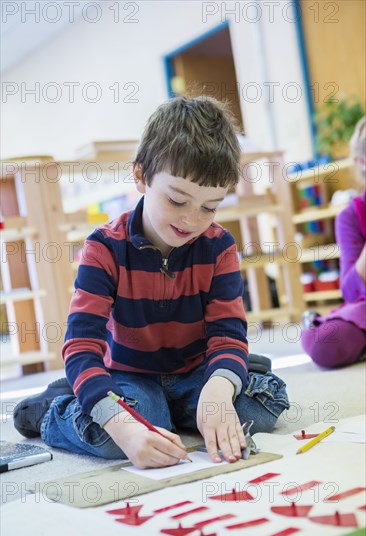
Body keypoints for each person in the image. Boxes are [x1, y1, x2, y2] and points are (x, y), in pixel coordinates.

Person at [14, 96, 290, 469]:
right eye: (178, 200)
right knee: (123, 434)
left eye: (210, 207)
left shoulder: (219, 247)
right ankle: (56, 408)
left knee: (261, 405)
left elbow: (227, 334)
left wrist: (218, 391)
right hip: (130, 375)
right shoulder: (103, 249)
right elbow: (80, 346)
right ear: (141, 176)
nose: (192, 219)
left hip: (194, 373)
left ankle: (173, 410)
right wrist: (121, 425)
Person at [301, 116, 366, 367]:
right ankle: (316, 323)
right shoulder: (350, 216)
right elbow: (350, 291)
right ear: (361, 162)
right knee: (325, 343)